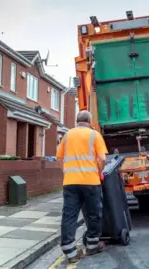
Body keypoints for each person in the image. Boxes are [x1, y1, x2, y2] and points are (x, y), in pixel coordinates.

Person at [56, 110, 108, 263]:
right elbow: (102, 159)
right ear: (90, 122)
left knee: (69, 216)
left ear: (76, 121)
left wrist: (66, 172)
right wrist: (99, 171)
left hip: (70, 182)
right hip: (91, 181)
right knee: (93, 214)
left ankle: (70, 251)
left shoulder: (67, 135)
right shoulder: (94, 135)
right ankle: (92, 245)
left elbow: (59, 158)